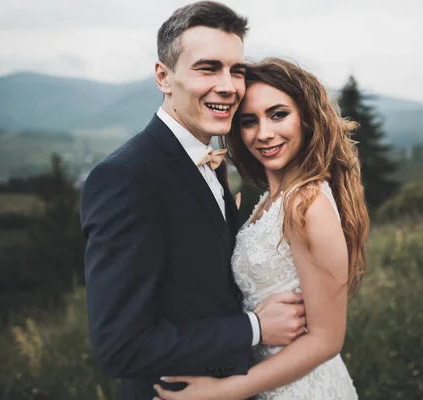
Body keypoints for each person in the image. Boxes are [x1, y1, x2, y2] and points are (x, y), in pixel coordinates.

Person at [79, 4, 307, 399]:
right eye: (208, 68)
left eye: (237, 70)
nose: (229, 86)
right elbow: (120, 346)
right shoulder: (126, 178)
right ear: (163, 77)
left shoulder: (211, 159)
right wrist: (254, 327)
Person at [154, 58, 370, 400]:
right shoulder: (270, 200)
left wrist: (225, 391)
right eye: (249, 121)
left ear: (306, 118)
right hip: (268, 382)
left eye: (278, 114)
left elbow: (326, 340)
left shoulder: (306, 203)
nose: (264, 133)